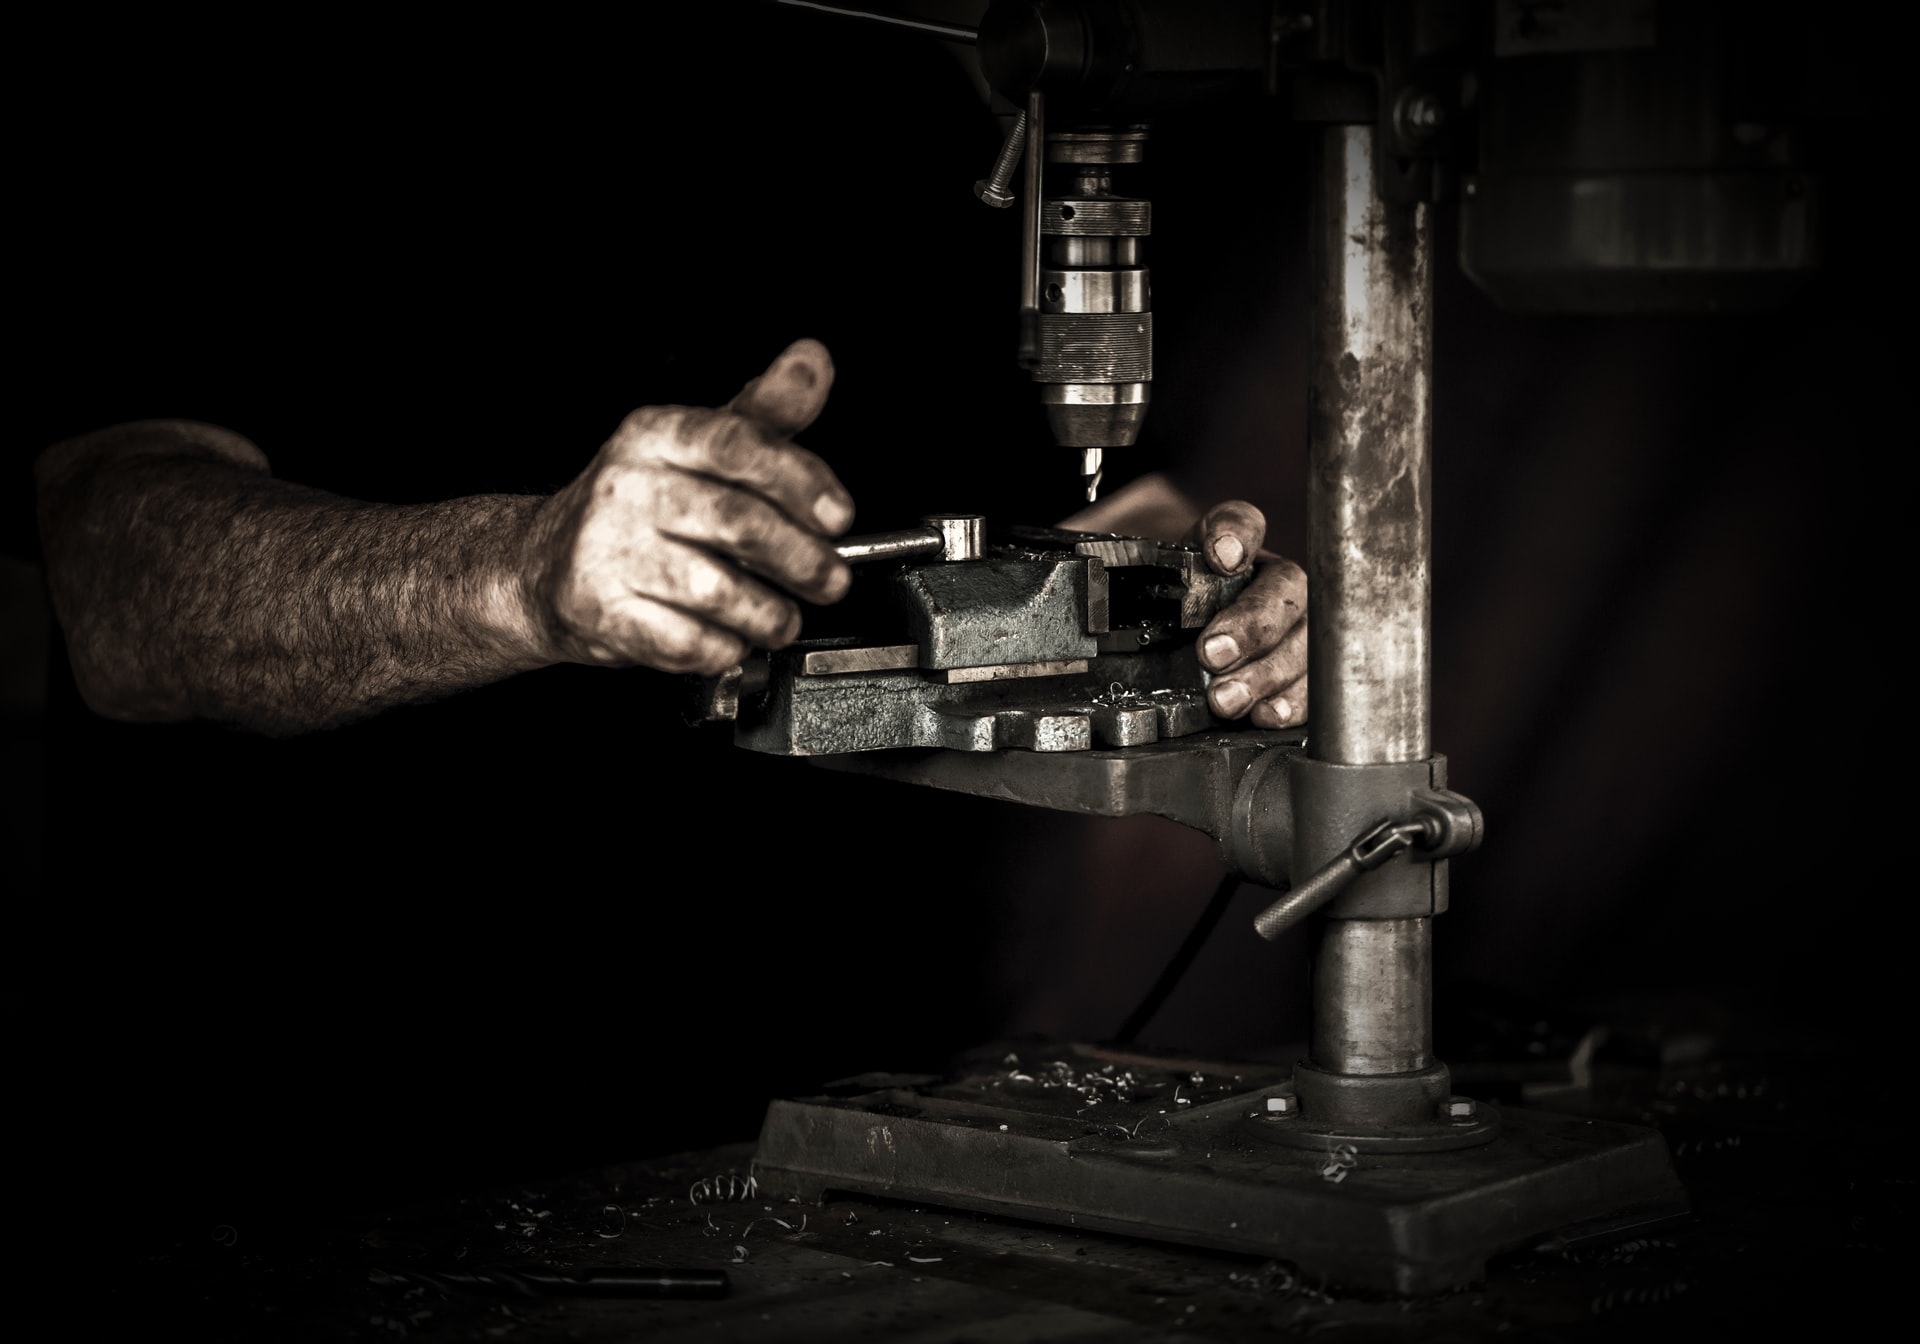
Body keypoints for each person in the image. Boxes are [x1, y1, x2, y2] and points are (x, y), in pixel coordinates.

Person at [33, 339, 1308, 737]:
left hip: (926, 1087)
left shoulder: (1006, 87)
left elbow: (1095, 507)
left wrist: (1175, 596)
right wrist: (515, 577)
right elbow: (108, 582)